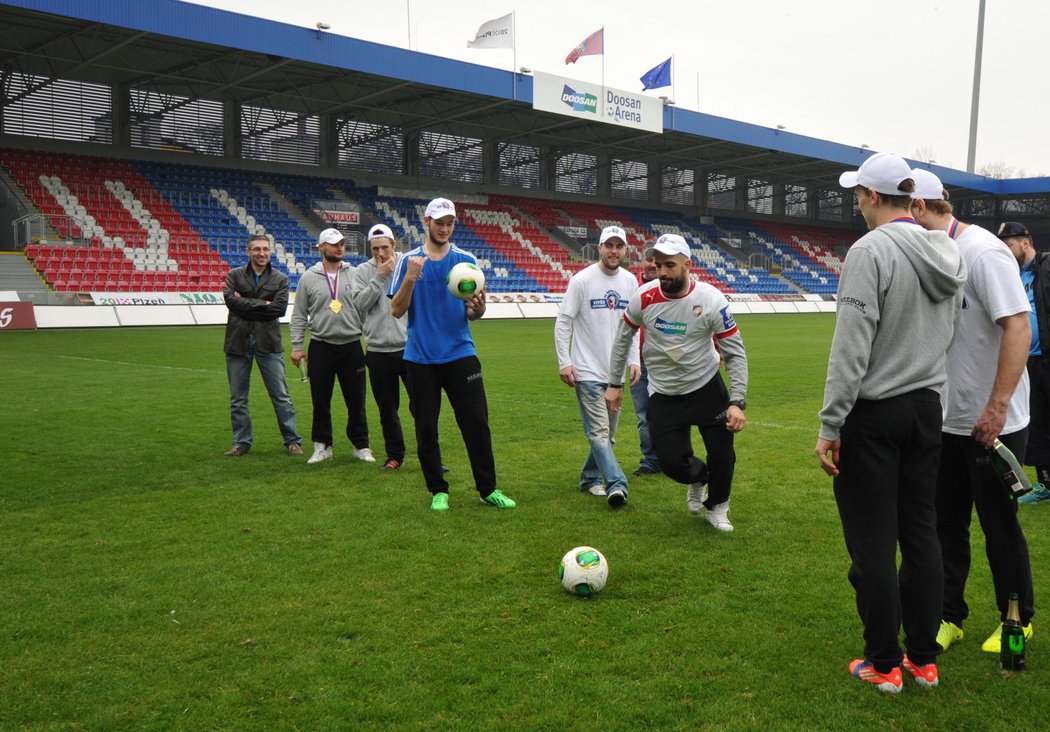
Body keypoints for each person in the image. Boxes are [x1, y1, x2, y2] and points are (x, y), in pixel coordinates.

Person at [815, 154, 965, 693]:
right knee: (921, 533)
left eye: (858, 195)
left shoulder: (870, 250)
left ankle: (883, 662)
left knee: (873, 542)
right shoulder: (945, 249)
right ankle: (923, 658)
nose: (857, 204)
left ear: (874, 196)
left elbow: (851, 349)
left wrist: (831, 423)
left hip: (875, 413)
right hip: (927, 407)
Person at [910, 170, 1035, 657]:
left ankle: (1019, 619)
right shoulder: (923, 253)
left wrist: (997, 406)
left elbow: (1019, 329)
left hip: (993, 423)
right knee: (945, 523)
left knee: (999, 524)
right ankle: (949, 615)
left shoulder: (982, 252)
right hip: (945, 420)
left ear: (919, 208)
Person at [606, 233, 748, 529]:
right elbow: (622, 339)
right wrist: (614, 384)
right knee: (670, 462)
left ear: (687, 265)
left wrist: (737, 401)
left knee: (722, 453)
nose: (662, 272)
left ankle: (718, 507)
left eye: (670, 265)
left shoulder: (710, 299)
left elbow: (734, 352)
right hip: (664, 391)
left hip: (706, 386)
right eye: (658, 265)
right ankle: (698, 477)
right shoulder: (644, 297)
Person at [388, 197, 515, 511]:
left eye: (450, 223)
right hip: (420, 359)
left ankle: (488, 489)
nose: (444, 228)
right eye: (439, 222)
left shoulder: (465, 260)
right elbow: (396, 309)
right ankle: (438, 491)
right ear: (427, 222)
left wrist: (480, 309)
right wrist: (410, 277)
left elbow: (473, 313)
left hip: (461, 354)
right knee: (426, 428)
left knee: (476, 423)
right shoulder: (409, 261)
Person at [555, 225, 640, 507]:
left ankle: (589, 478)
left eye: (619, 246)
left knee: (608, 434)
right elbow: (564, 322)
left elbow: (635, 326)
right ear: (599, 248)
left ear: (625, 250)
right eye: (609, 245)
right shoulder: (581, 281)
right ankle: (617, 484)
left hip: (614, 375)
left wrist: (634, 360)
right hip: (587, 371)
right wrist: (565, 361)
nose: (614, 251)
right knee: (599, 432)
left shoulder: (630, 282)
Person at [290, 228, 375, 465]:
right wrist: (297, 345)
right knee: (321, 401)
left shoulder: (355, 274)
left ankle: (361, 445)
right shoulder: (308, 277)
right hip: (321, 346)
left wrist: (371, 338)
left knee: (356, 401)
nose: (339, 247)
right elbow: (299, 315)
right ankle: (322, 446)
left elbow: (366, 308)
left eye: (341, 243)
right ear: (321, 247)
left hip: (352, 346)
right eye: (333, 244)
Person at [222, 234, 302, 456]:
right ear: (248, 252)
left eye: (265, 249)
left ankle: (292, 441)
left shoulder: (281, 279)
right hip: (238, 342)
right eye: (256, 249)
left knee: (281, 395)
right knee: (238, 398)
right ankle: (241, 442)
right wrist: (263, 304)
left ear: (270, 251)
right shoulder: (234, 275)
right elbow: (230, 300)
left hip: (268, 342)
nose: (261, 253)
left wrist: (244, 303)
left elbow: (279, 309)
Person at [998, 221, 1050, 504]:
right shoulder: (1012, 275)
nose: (1006, 252)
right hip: (1028, 362)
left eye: (1009, 246)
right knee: (1038, 424)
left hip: (1048, 358)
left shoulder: (1047, 266)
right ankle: (1046, 484)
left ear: (1025, 242)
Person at [352, 223, 410, 471]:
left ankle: (433, 457)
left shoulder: (408, 266)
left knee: (423, 407)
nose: (380, 254)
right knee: (387, 409)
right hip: (377, 351)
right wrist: (379, 277)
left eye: (384, 248)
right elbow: (359, 305)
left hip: (410, 348)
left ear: (393, 246)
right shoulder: (362, 271)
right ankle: (395, 455)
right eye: (375, 249)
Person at [631, 251, 661, 476]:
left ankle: (673, 456)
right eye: (649, 260)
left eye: (656, 261)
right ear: (642, 262)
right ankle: (650, 460)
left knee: (673, 413)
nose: (652, 265)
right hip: (639, 363)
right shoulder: (631, 287)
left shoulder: (674, 287)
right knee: (643, 415)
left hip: (667, 363)